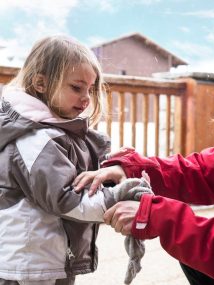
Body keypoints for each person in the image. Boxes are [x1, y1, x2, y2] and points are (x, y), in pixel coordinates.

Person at [73, 4, 214, 285]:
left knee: (193, 242)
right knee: (193, 252)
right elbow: (205, 170)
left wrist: (158, 216)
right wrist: (135, 170)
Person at [0, 35, 153, 285]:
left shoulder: (52, 132)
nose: (86, 98)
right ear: (40, 83)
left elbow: (76, 179)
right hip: (30, 265)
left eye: (90, 89)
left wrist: (111, 171)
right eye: (76, 87)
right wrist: (116, 197)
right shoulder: (36, 140)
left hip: (46, 257)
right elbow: (65, 199)